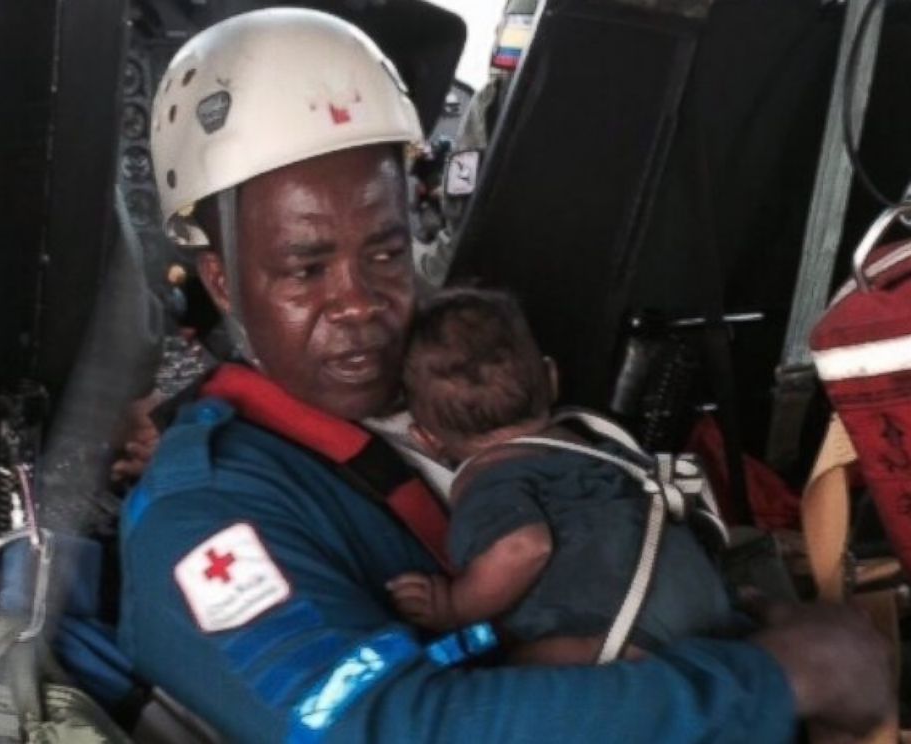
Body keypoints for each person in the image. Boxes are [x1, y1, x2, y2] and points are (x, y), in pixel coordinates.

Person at [117, 8, 892, 743]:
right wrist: (771, 681)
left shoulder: (458, 381)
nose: (357, 303)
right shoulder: (206, 517)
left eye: (385, 254)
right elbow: (381, 729)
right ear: (221, 281)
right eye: (305, 269)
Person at [387, 287, 734, 665]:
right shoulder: (593, 447)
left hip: (625, 636)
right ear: (552, 378)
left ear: (427, 439)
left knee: (503, 670)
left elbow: (523, 548)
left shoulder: (490, 479)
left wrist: (455, 606)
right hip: (703, 600)